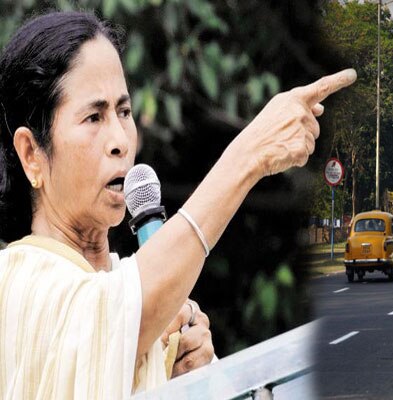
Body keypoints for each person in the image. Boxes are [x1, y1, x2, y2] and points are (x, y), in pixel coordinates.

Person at [0, 11, 355, 399]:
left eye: (123, 111)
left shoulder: (144, 301)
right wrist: (250, 154)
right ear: (31, 153)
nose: (121, 139)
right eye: (93, 117)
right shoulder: (16, 281)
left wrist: (186, 377)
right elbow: (109, 315)